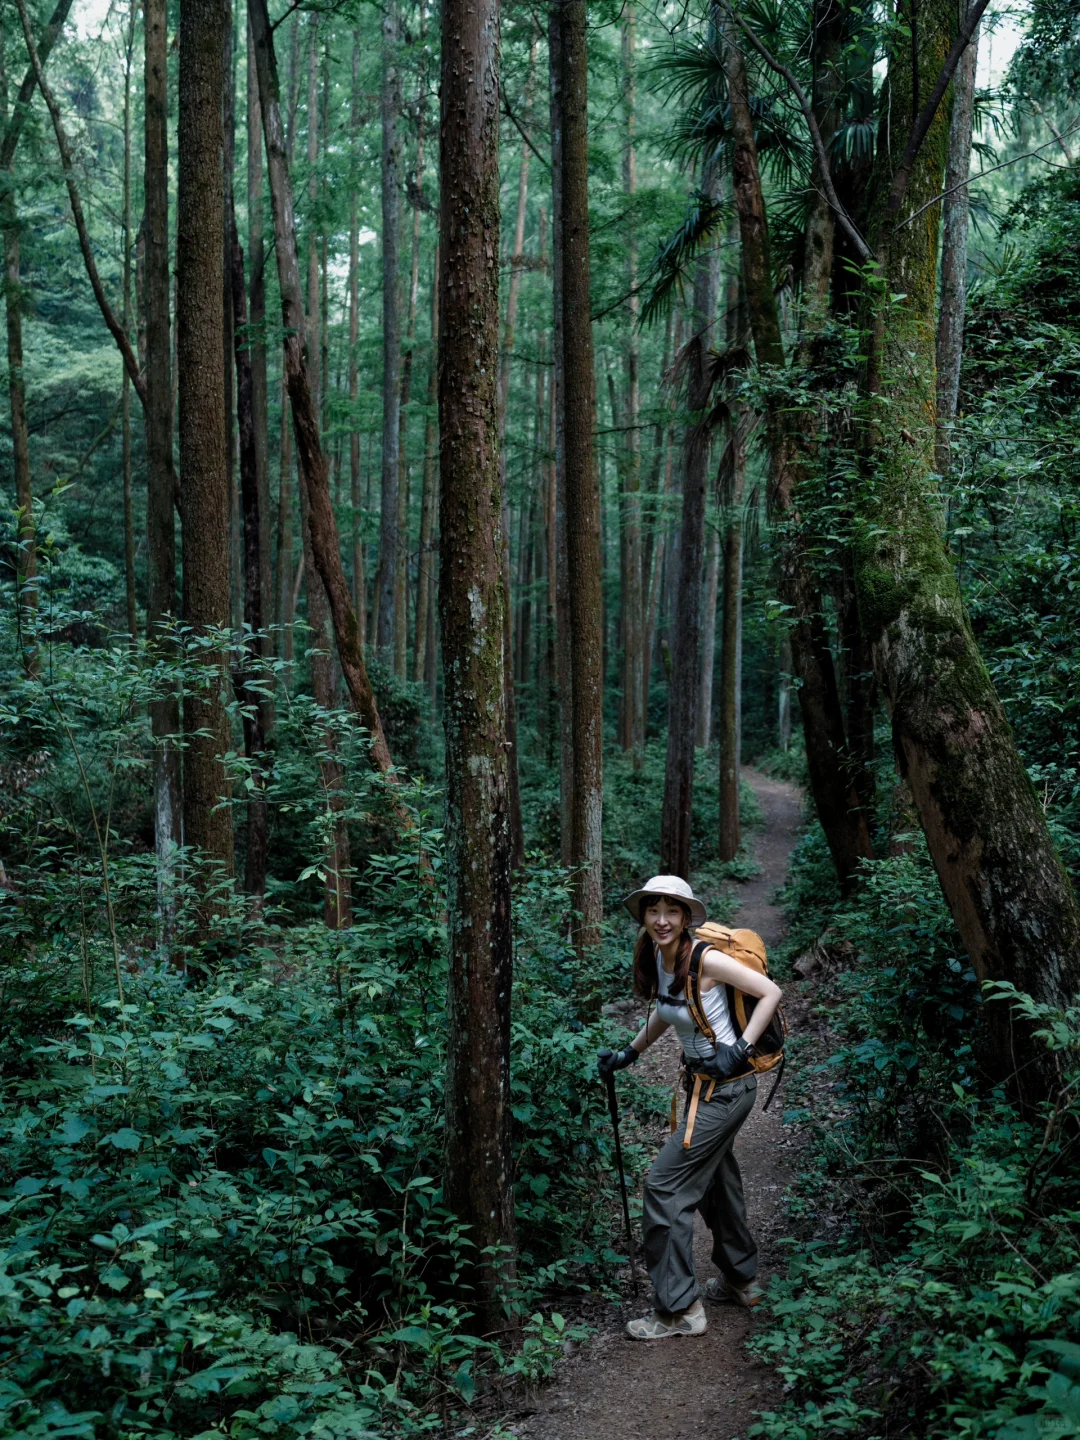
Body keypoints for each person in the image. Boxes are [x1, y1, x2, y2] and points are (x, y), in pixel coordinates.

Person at [597, 874, 783, 1341]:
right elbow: (667, 1008)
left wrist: (739, 1047)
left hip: (726, 1089)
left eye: (671, 911)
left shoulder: (706, 956)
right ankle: (742, 1280)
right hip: (706, 1088)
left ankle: (678, 1310)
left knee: (663, 1187)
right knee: (716, 1181)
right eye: (653, 911)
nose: (661, 920)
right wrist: (631, 1052)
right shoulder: (663, 957)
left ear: (685, 917)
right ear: (643, 915)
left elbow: (770, 992)